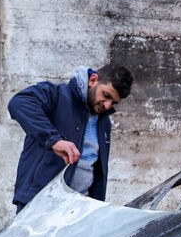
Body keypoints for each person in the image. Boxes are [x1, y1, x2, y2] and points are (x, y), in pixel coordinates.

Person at [7, 64, 134, 212]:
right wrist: (54, 140)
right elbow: (19, 103)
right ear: (93, 80)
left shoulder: (103, 122)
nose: (107, 105)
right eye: (106, 96)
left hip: (79, 212)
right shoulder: (57, 95)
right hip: (39, 207)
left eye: (113, 102)